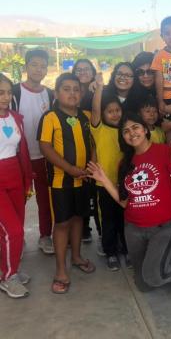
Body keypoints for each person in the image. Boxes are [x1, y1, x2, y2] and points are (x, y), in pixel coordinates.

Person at [86, 114, 171, 298]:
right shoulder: (125, 163)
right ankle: (163, 261)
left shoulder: (164, 151)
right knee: (144, 285)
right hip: (133, 229)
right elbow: (124, 202)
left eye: (135, 127)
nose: (131, 133)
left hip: (163, 226)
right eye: (126, 131)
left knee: (154, 277)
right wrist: (104, 180)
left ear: (144, 129)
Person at [38, 73, 96, 294]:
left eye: (76, 89)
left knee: (78, 218)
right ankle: (61, 270)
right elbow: (45, 147)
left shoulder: (85, 116)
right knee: (62, 223)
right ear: (56, 93)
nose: (72, 93)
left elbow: (91, 143)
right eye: (66, 89)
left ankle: (77, 256)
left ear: (81, 94)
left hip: (83, 180)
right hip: (60, 182)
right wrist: (70, 169)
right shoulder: (50, 117)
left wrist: (91, 166)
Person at [11, 49, 54, 255]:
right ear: (26, 67)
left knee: (45, 200)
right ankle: (16, 238)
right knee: (17, 200)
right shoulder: (14, 92)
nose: (39, 69)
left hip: (44, 156)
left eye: (43, 66)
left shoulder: (50, 94)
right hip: (19, 157)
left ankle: (45, 236)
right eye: (34, 65)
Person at [90, 72, 131, 271]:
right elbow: (95, 109)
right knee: (108, 221)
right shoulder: (99, 129)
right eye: (110, 111)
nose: (114, 114)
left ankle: (127, 250)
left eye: (117, 110)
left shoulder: (127, 130)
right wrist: (99, 87)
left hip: (124, 184)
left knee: (125, 219)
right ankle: (111, 252)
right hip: (104, 185)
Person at [0, 73, 32, 298]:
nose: (5, 97)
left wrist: (26, 179)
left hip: (15, 177)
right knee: (13, 230)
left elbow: (22, 151)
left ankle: (8, 268)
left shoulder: (15, 117)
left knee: (15, 227)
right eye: (0, 92)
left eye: (8, 92)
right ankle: (9, 277)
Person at [72, 58, 100, 244]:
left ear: (93, 72)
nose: (82, 72)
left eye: (86, 69)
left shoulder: (96, 90)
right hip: (73, 148)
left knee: (94, 190)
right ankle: (83, 228)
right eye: (79, 69)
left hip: (95, 145)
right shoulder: (70, 91)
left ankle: (100, 229)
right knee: (78, 190)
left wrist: (98, 86)